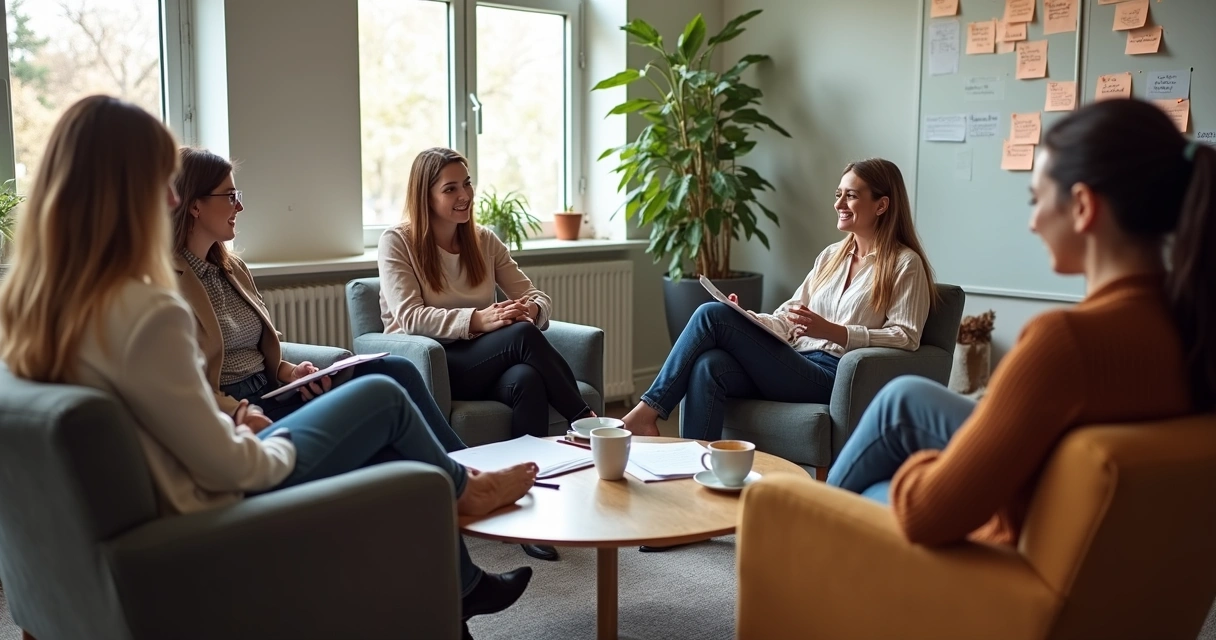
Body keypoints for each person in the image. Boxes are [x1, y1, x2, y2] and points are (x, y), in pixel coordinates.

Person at [0, 96, 535, 639]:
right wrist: (256, 434)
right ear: (122, 192)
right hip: (212, 514)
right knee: (383, 398)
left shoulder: (28, 306)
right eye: (161, 181)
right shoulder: (144, 308)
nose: (170, 197)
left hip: (140, 520)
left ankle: (460, 543)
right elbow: (232, 470)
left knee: (383, 389)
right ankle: (464, 491)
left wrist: (261, 397)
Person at [826, 98, 1216, 547]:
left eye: (1036, 199)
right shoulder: (1185, 325)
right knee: (904, 396)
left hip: (1004, 550)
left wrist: (923, 465)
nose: (1032, 223)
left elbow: (924, 513)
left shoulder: (1066, 343)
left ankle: (809, 528)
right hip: (1098, 538)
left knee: (851, 491)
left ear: (1084, 206)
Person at [378, 147, 596, 562]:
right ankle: (585, 421)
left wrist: (529, 309)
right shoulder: (397, 242)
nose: (465, 195)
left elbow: (534, 294)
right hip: (434, 363)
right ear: (426, 196)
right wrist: (479, 320)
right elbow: (409, 317)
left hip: (484, 360)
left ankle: (526, 508)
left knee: (528, 379)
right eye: (451, 188)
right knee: (522, 338)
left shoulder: (483, 240)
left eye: (468, 183)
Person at [622, 158, 937, 444]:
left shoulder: (905, 264)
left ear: (881, 205)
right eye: (838, 193)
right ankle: (692, 470)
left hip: (834, 376)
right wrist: (746, 318)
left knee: (710, 314)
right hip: (796, 359)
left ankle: (646, 413)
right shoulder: (831, 256)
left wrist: (835, 332)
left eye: (851, 195)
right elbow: (790, 316)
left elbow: (906, 337)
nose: (839, 202)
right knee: (709, 365)